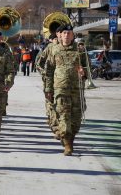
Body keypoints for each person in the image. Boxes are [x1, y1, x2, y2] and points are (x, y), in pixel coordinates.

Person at [45, 24, 87, 156]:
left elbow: (87, 69)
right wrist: (48, 88)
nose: (67, 35)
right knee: (63, 116)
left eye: (69, 33)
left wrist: (83, 72)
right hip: (60, 89)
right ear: (60, 35)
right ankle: (67, 143)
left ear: (73, 35)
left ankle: (70, 138)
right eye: (64, 33)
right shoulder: (54, 50)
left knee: (76, 118)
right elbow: (49, 70)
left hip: (76, 89)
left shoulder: (79, 50)